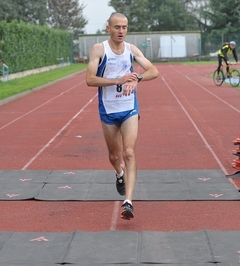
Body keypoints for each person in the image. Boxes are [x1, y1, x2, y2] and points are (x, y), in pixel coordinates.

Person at [86, 12, 158, 220]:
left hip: (129, 109)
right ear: (108, 28)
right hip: (108, 110)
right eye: (117, 27)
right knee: (114, 156)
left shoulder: (131, 50)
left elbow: (153, 70)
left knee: (129, 152)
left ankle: (128, 202)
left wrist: (138, 78)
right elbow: (90, 80)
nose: (121, 31)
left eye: (125, 27)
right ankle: (119, 173)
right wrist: (118, 80)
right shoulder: (99, 49)